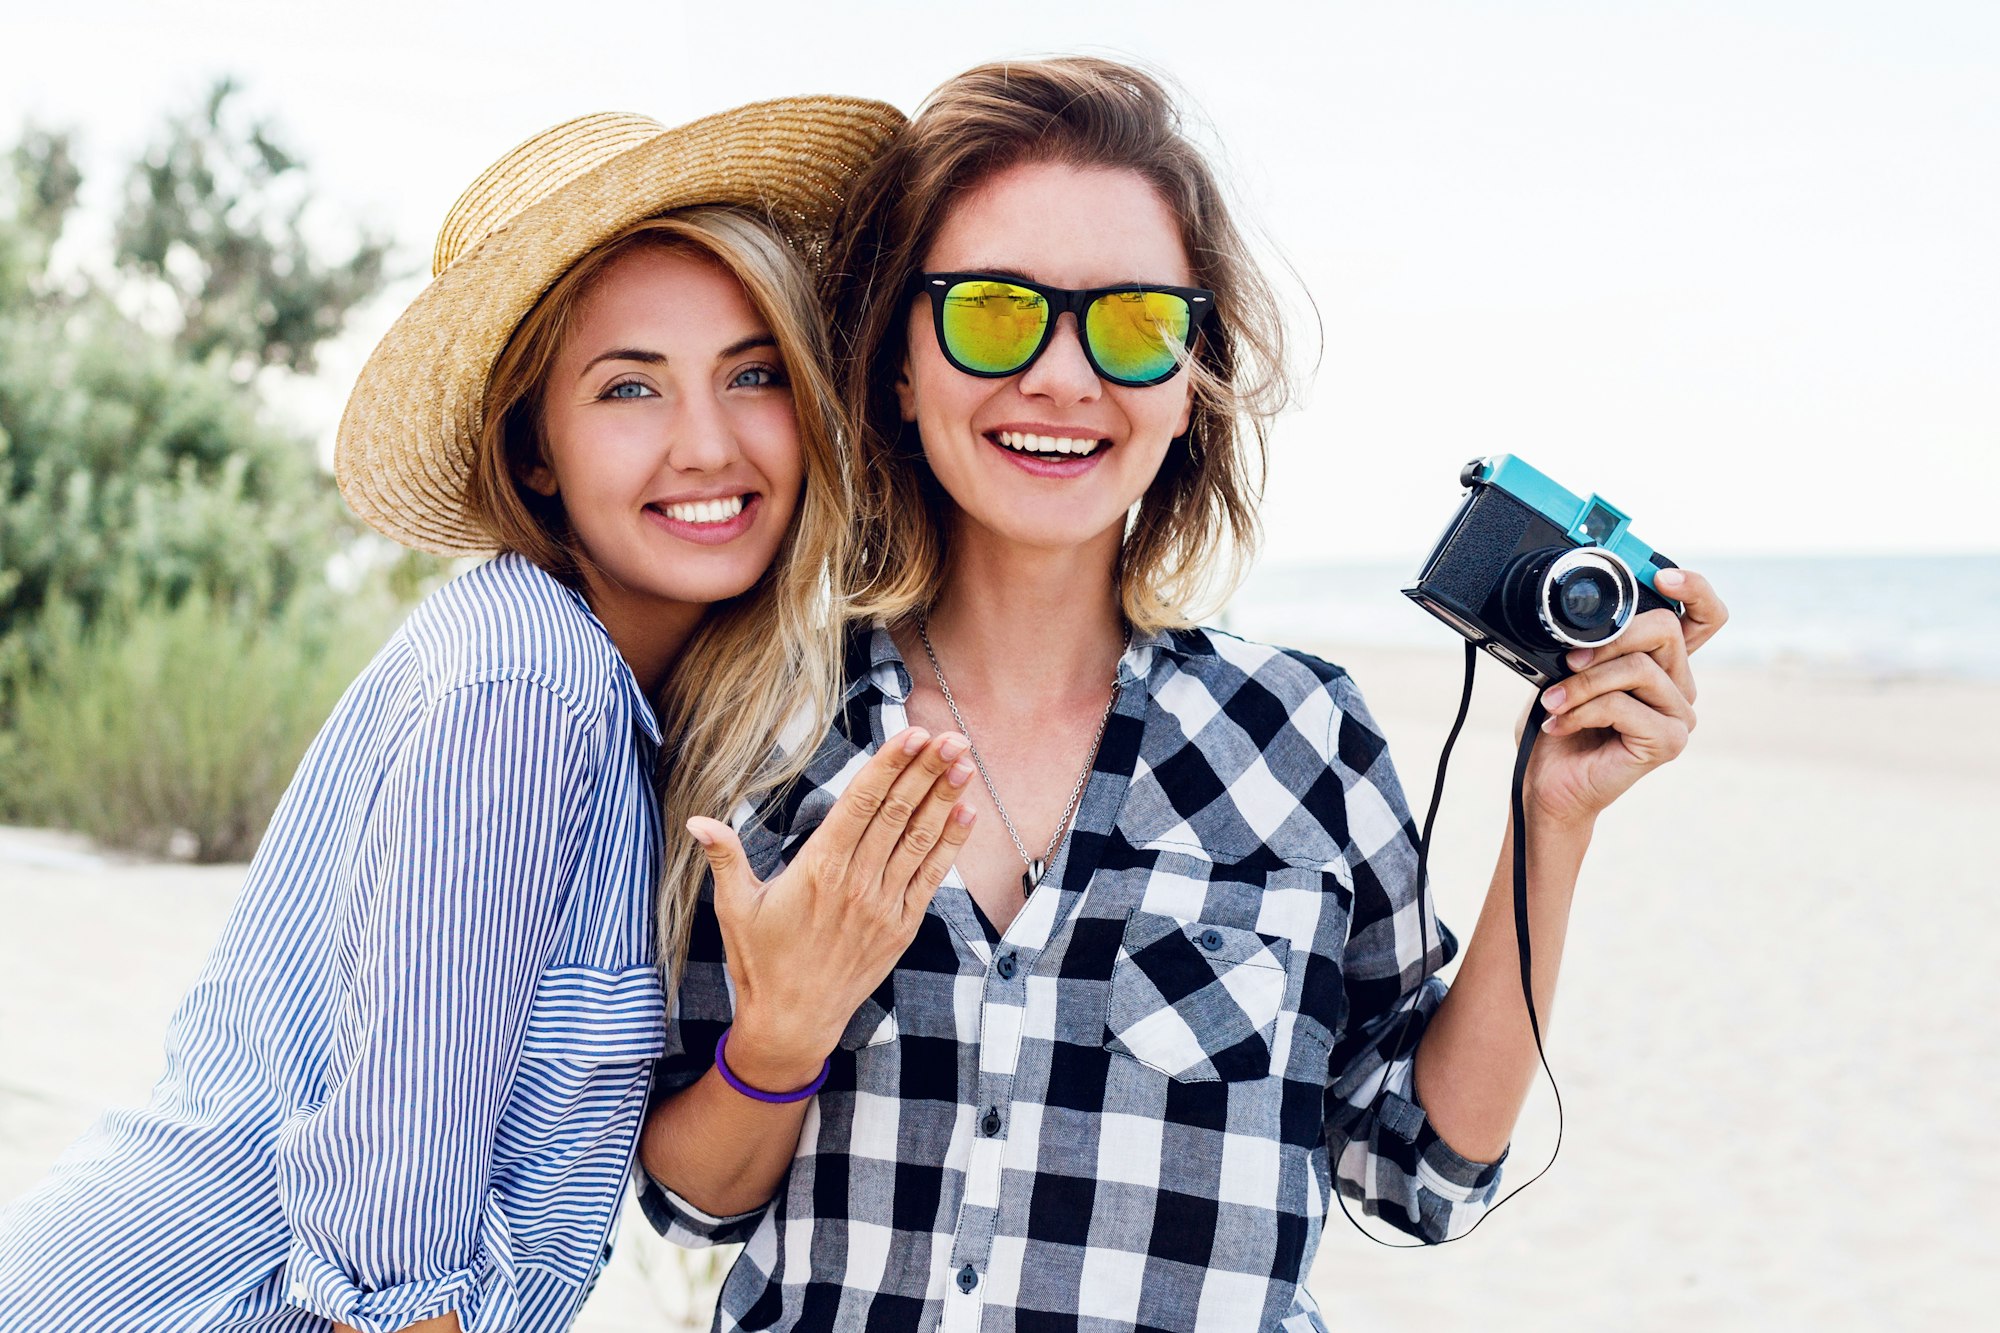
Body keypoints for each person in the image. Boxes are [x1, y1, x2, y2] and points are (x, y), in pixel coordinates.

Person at [637, 58, 1730, 1331]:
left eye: (1132, 322)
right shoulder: (762, 727)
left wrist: (1554, 817)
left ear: (1191, 376)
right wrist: (778, 1041)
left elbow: (1419, 1168)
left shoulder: (1298, 734)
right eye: (993, 312)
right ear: (895, 359)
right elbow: (693, 1204)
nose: (1060, 375)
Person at [0, 98, 983, 1333]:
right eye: (630, 388)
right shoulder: (528, 688)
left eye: (752, 374)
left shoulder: (597, 688)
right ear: (534, 452)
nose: (707, 443)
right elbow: (392, 1207)